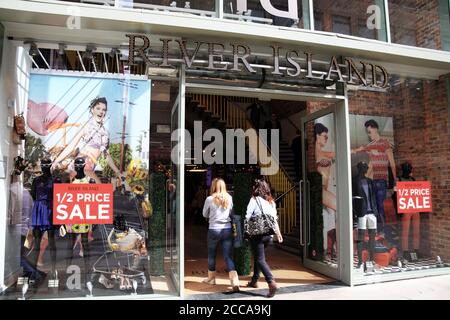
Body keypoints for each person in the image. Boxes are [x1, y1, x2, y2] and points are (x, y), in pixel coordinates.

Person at [51, 97, 122, 184]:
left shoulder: (105, 133)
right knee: (98, 187)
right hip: (81, 165)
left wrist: (117, 171)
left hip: (91, 167)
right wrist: (56, 161)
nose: (101, 111)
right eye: (98, 108)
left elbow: (106, 155)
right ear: (92, 110)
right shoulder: (85, 126)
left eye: (104, 109)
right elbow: (71, 146)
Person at [352, 119, 397, 233]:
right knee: (372, 206)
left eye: (370, 132)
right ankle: (376, 231)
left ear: (375, 129)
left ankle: (381, 231)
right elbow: (366, 156)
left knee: (379, 205)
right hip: (371, 181)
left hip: (381, 180)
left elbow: (392, 163)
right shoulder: (370, 146)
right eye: (367, 132)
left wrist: (396, 180)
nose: (369, 134)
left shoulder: (385, 143)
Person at [245, 179, 283, 298]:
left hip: (257, 233)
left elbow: (247, 216)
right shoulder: (271, 202)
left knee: (260, 259)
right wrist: (278, 233)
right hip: (268, 235)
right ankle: (254, 280)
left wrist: (245, 230)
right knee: (259, 256)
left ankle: (271, 282)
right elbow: (274, 219)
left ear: (255, 188)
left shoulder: (254, 200)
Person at [201, 178, 240, 292]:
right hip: (227, 229)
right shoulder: (229, 198)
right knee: (228, 256)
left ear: (213, 186)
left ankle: (211, 279)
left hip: (213, 229)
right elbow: (231, 212)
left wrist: (211, 214)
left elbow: (204, 213)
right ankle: (235, 281)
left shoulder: (209, 199)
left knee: (211, 255)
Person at [314, 123, 337, 260]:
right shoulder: (319, 152)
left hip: (326, 189)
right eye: (324, 136)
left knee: (330, 223)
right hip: (322, 190)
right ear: (317, 136)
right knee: (341, 212)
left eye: (327, 137)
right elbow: (331, 154)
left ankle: (330, 250)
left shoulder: (322, 152)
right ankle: (332, 250)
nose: (326, 139)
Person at [352, 162, 378, 269]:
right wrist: (354, 213)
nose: (365, 169)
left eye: (365, 167)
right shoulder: (354, 181)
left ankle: (371, 259)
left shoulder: (370, 181)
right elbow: (353, 198)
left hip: (372, 212)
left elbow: (373, 197)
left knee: (372, 237)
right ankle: (360, 261)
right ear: (359, 169)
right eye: (363, 167)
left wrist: (376, 212)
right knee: (360, 237)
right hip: (361, 212)